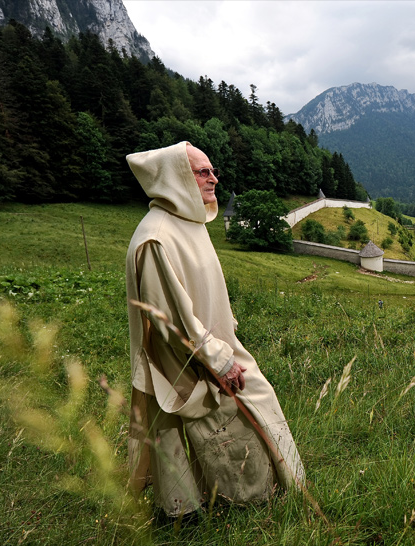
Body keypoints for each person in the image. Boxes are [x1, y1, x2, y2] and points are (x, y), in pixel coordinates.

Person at [125, 141, 304, 517]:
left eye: (213, 170)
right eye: (203, 172)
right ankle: (230, 509)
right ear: (177, 178)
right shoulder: (157, 236)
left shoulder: (188, 222)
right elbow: (169, 320)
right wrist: (218, 361)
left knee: (241, 412)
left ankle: (211, 505)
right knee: (200, 426)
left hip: (217, 346)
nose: (214, 179)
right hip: (192, 358)